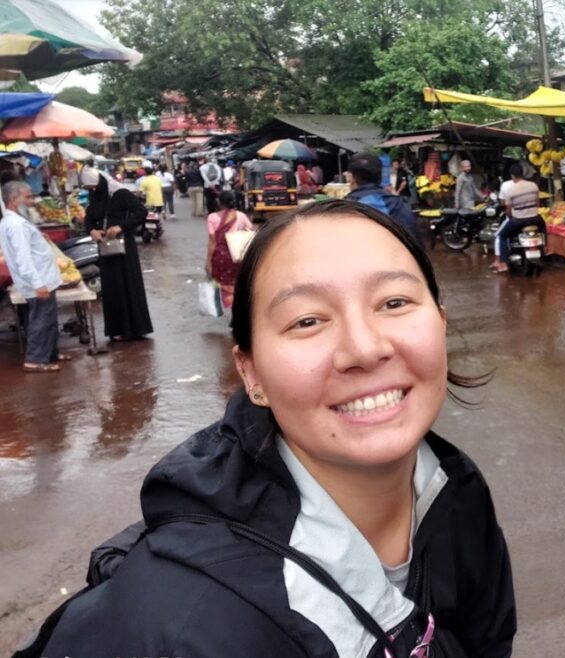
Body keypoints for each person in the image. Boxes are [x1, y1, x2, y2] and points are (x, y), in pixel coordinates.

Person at [41, 199, 517, 657]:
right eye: (307, 320)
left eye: (394, 302)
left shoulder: (457, 491)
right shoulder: (183, 626)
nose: (365, 349)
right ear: (251, 373)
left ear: (440, 320)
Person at [81, 168, 154, 342]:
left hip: (124, 247)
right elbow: (89, 218)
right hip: (105, 247)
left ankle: (135, 328)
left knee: (128, 283)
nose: (92, 191)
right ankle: (117, 329)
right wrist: (92, 230)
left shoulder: (120, 193)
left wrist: (121, 226)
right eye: (89, 188)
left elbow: (140, 212)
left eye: (94, 187)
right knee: (112, 287)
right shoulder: (95, 197)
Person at [0, 181, 65, 372]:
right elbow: (23, 258)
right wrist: (38, 284)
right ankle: (35, 360)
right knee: (40, 320)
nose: (32, 200)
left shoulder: (14, 221)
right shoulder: (16, 224)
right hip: (38, 280)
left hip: (43, 278)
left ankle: (50, 353)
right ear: (14, 199)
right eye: (27, 196)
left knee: (48, 319)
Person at [345, 151, 421, 246]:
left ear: (351, 178)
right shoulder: (399, 205)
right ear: (381, 177)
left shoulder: (343, 209)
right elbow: (416, 244)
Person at [491, 163, 544, 274]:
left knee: (502, 236)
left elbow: (509, 210)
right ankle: (546, 247)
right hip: (535, 218)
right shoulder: (533, 185)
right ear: (523, 174)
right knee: (543, 228)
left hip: (519, 220)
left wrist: (510, 215)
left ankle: (503, 263)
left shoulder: (511, 190)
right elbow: (538, 203)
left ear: (513, 176)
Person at [205, 189, 253, 310]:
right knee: (239, 283)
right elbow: (251, 230)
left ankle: (233, 310)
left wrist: (208, 261)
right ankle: (240, 309)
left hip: (221, 257)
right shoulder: (241, 215)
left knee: (226, 286)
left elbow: (212, 240)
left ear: (219, 202)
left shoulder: (212, 217)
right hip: (238, 255)